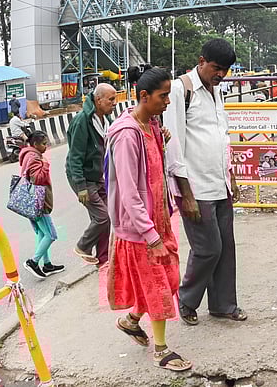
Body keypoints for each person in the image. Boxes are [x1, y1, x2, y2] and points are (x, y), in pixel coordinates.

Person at [105, 66, 191, 372]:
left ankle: (130, 321)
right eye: (163, 96)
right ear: (144, 96)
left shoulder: (150, 125)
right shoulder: (127, 135)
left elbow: (153, 170)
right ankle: (161, 350)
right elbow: (129, 192)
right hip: (142, 229)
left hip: (159, 218)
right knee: (157, 285)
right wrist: (150, 235)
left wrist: (161, 138)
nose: (168, 101)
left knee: (167, 280)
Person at [163, 38, 246, 326]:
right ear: (201, 61)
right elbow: (174, 145)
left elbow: (220, 137)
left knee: (226, 246)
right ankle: (186, 299)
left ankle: (223, 305)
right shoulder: (179, 90)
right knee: (208, 247)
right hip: (195, 187)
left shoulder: (216, 91)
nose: (220, 74)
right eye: (216, 68)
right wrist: (185, 194)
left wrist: (231, 176)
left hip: (219, 183)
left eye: (225, 70)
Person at [66, 83, 117, 266]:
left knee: (108, 216)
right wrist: (80, 187)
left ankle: (103, 259)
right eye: (110, 100)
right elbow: (75, 156)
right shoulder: (82, 121)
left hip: (97, 176)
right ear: (98, 99)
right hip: (82, 177)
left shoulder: (104, 121)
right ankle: (82, 246)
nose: (114, 103)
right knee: (102, 217)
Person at [20, 130, 64, 280]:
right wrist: (45, 165)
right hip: (38, 202)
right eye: (44, 144)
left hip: (31, 202)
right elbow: (37, 179)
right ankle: (33, 262)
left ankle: (47, 264)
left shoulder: (29, 155)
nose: (46, 146)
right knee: (51, 235)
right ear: (35, 144)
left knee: (41, 233)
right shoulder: (34, 158)